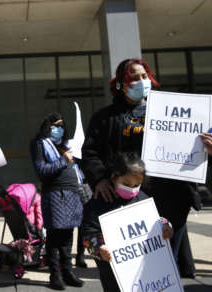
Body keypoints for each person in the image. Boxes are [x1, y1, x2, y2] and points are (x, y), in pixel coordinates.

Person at [81, 58, 198, 264]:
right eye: (134, 78)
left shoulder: (170, 111)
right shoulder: (105, 117)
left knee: (167, 261)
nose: (142, 81)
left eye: (144, 76)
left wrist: (204, 147)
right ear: (121, 84)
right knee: (134, 262)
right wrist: (99, 179)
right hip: (128, 197)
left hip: (171, 198)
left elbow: (189, 146)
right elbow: (90, 152)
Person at [82, 152, 173, 292]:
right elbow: (88, 235)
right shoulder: (97, 204)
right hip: (114, 274)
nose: (132, 188)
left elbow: (155, 219)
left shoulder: (143, 198)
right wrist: (99, 248)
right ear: (114, 177)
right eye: (126, 183)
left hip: (146, 272)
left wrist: (165, 225)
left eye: (137, 184)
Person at [30, 112, 84, 290]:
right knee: (54, 236)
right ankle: (55, 275)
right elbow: (42, 170)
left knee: (68, 235)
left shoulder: (67, 145)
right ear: (47, 126)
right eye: (55, 125)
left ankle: (68, 272)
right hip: (55, 193)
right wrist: (63, 160)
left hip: (71, 192)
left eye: (61, 125)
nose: (59, 129)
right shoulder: (40, 144)